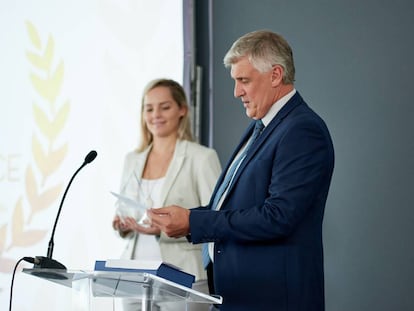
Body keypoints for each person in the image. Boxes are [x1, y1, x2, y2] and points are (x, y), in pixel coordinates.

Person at [148, 30, 335, 311]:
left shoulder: (302, 130)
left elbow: (278, 217)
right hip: (237, 297)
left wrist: (194, 222)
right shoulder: (264, 125)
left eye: (244, 80)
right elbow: (237, 206)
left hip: (272, 301)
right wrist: (186, 218)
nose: (237, 92)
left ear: (275, 75)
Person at [112, 78, 221, 311]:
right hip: (134, 276)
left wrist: (164, 228)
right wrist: (121, 223)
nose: (155, 115)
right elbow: (124, 209)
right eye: (149, 108)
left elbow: (216, 220)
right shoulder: (132, 160)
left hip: (183, 275)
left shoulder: (202, 158)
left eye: (165, 106)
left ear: (182, 109)